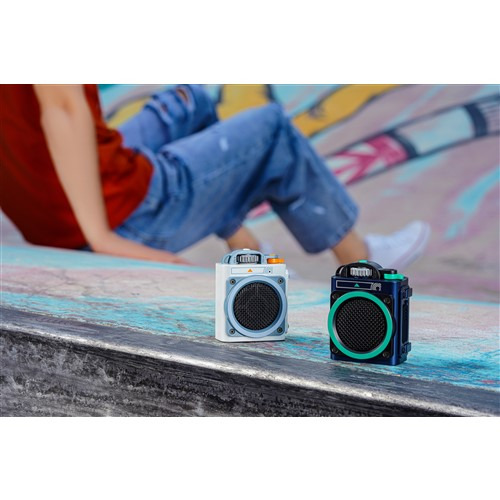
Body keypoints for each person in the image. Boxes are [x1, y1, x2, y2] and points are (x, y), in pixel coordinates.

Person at [0, 84, 430, 269]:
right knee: (270, 130)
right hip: (119, 215)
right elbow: (63, 109)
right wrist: (101, 238)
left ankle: (249, 253)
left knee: (188, 101)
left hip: (57, 211)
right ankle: (362, 262)